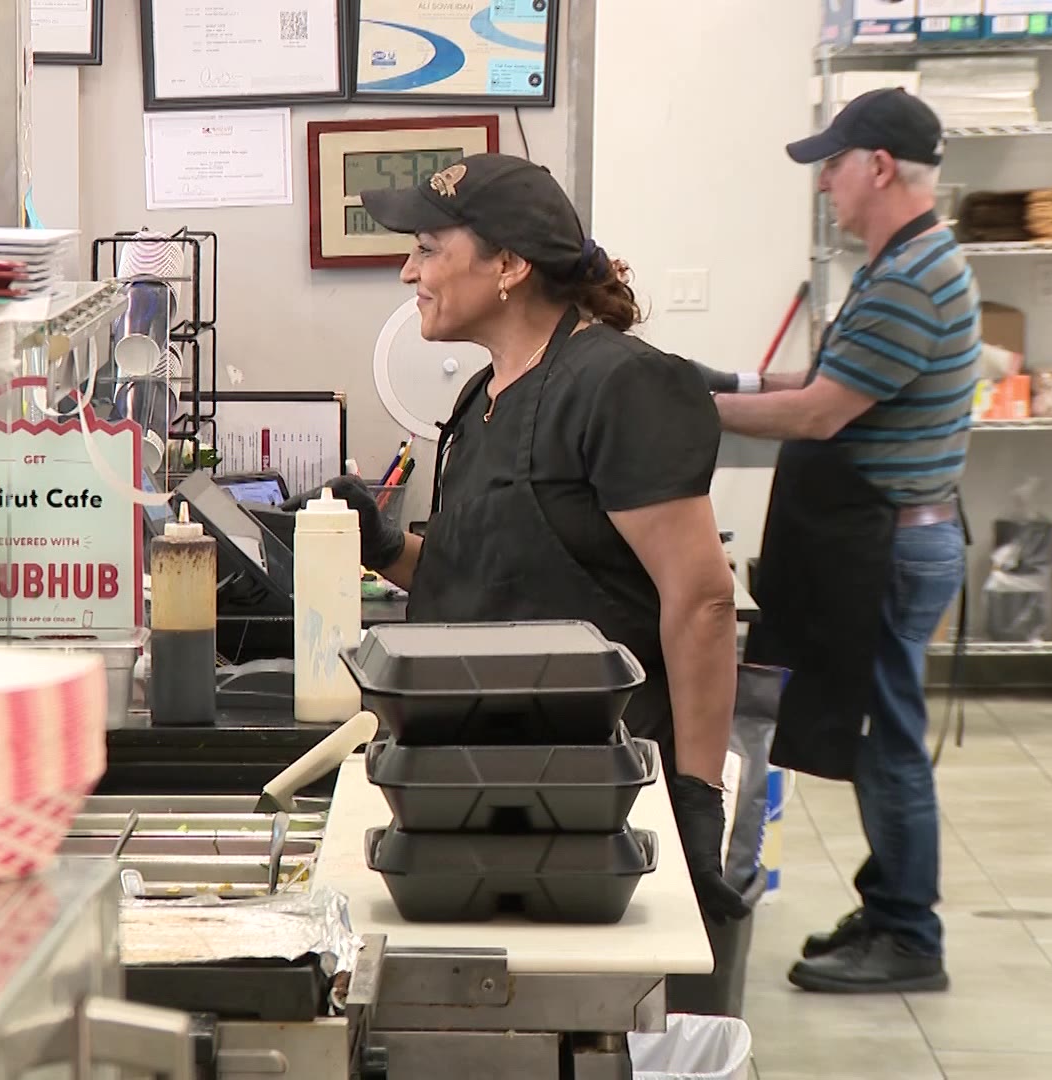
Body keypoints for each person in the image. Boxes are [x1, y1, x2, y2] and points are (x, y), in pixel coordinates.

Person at [301, 153, 750, 926]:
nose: (410, 273)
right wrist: (384, 548)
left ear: (508, 264)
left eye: (428, 249)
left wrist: (696, 798)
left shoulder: (623, 385)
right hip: (483, 780)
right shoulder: (482, 396)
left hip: (596, 792)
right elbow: (486, 584)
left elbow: (702, 600)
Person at [701, 88, 974, 994]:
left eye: (834, 165)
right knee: (877, 737)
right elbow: (824, 377)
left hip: (888, 549)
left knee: (887, 742)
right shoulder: (902, 263)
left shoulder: (910, 280)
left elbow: (820, 411)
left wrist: (685, 409)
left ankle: (910, 936)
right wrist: (726, 380)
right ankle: (891, 903)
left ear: (879, 167)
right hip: (886, 538)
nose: (825, 184)